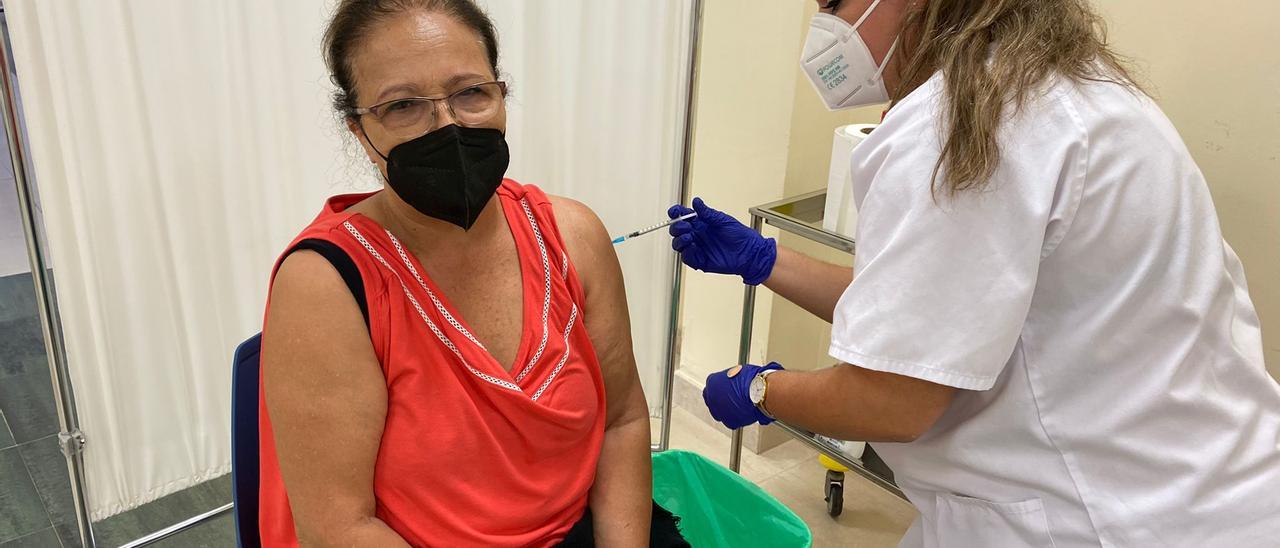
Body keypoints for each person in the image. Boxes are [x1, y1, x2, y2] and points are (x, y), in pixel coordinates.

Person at [671, 0, 1280, 546]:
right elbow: (927, 317)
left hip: (1102, 515)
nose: (824, 26)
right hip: (1203, 484)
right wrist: (764, 260)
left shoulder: (964, 125)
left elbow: (890, 400)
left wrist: (761, 389)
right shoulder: (1073, 89)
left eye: (835, 2)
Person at [258, 1, 686, 546]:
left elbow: (621, 420)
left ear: (501, 96)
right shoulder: (327, 286)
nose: (448, 126)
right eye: (403, 105)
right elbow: (337, 528)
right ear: (359, 130)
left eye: (470, 93)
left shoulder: (574, 238)